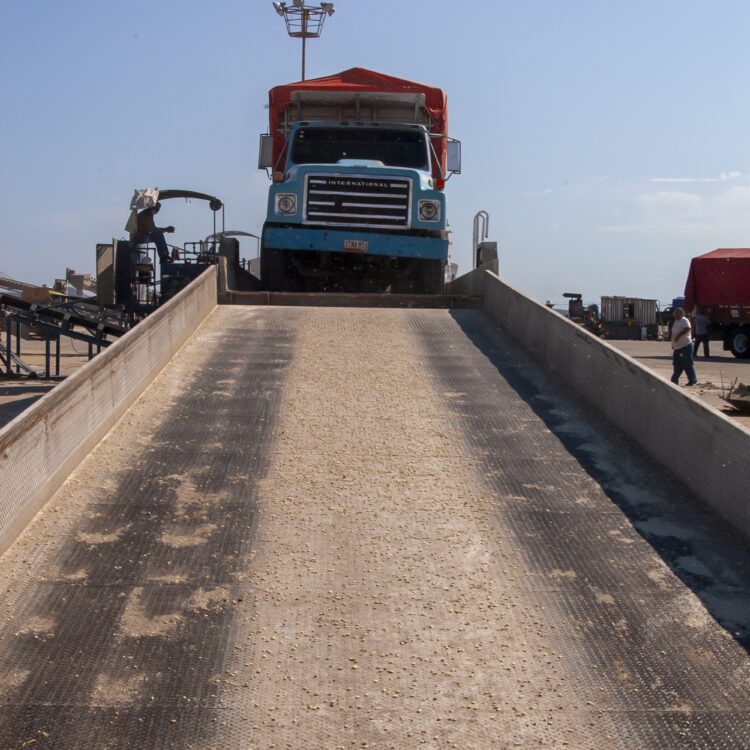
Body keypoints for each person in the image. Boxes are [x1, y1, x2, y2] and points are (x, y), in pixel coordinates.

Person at [671, 307, 697, 386]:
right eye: (674, 313)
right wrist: (673, 344)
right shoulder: (676, 321)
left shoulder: (684, 320)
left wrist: (678, 336)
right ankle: (674, 380)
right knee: (677, 365)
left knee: (687, 364)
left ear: (681, 313)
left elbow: (687, 329)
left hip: (685, 346)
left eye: (676, 313)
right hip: (677, 347)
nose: (674, 314)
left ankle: (692, 379)